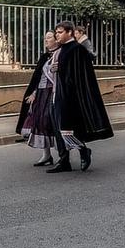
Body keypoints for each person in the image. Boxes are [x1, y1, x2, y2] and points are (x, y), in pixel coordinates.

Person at [46, 21, 114, 172]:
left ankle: (83, 150)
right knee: (58, 128)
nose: (57, 35)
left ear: (70, 32)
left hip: (71, 97)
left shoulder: (77, 49)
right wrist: (53, 68)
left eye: (60, 32)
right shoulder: (60, 49)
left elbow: (78, 76)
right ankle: (64, 160)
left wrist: (61, 70)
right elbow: (55, 71)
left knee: (67, 128)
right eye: (56, 32)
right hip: (57, 93)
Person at [15, 31, 61, 166]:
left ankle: (64, 155)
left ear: (56, 39)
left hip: (52, 92)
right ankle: (46, 155)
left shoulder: (61, 53)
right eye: (45, 38)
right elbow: (38, 77)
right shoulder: (44, 57)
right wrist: (34, 92)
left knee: (52, 122)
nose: (46, 40)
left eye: (49, 38)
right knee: (41, 123)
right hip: (41, 93)